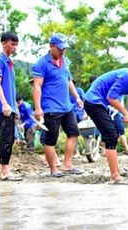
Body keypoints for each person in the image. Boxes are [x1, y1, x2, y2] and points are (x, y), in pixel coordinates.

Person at [32, 33, 83, 177]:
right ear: (51, 47)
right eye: (60, 49)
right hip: (51, 108)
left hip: (67, 106)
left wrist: (77, 97)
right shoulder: (41, 64)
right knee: (51, 140)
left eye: (64, 49)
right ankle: (53, 169)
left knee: (73, 134)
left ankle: (67, 165)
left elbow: (68, 81)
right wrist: (38, 108)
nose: (62, 51)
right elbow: (37, 87)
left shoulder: (64, 61)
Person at [0, 31, 22, 181]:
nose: (15, 47)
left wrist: (15, 108)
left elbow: (11, 89)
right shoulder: (0, 60)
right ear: (4, 43)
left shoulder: (10, 63)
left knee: (9, 139)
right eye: (12, 44)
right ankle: (4, 172)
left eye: (16, 44)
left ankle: (6, 169)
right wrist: (4, 103)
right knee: (5, 139)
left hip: (11, 107)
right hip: (3, 107)